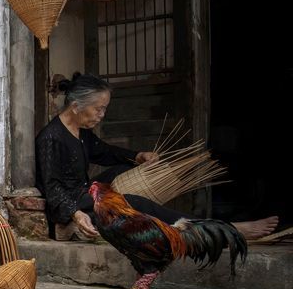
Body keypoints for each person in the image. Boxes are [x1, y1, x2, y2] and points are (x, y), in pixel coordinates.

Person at [35, 72, 277, 241]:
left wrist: (138, 156)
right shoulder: (51, 137)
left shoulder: (81, 131)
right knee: (135, 203)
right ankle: (222, 230)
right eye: (98, 108)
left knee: (123, 172)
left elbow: (106, 152)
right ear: (76, 106)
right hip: (71, 204)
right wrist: (76, 215)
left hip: (86, 192)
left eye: (104, 109)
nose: (102, 114)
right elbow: (52, 189)